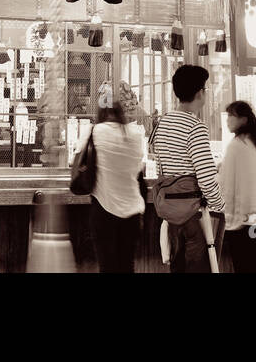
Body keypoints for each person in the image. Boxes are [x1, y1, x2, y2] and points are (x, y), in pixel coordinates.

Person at [150, 64, 224, 272]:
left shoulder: (162, 123)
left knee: (178, 267)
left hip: (171, 213)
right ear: (200, 92)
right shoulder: (195, 127)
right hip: (193, 214)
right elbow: (206, 177)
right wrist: (220, 205)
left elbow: (160, 165)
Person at [219, 100, 256, 273]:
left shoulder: (236, 146)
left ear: (243, 120)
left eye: (231, 116)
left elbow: (227, 184)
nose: (228, 119)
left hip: (241, 221)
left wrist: (226, 215)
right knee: (255, 263)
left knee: (242, 265)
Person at [88, 102, 146, 273]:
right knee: (127, 265)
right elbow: (138, 171)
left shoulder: (94, 131)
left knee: (107, 266)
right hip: (132, 212)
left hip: (104, 210)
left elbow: (80, 162)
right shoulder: (134, 135)